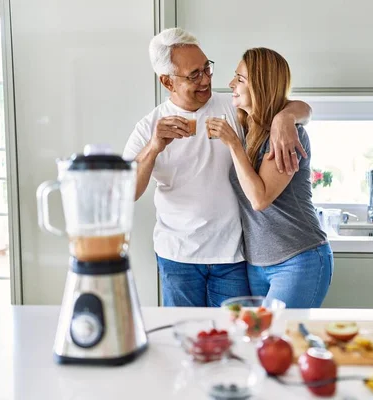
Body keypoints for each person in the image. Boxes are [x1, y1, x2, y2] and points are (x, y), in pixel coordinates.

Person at [123, 29, 312, 307]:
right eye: (194, 75)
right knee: (185, 335)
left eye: (206, 69)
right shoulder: (148, 128)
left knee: (234, 337)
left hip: (232, 256)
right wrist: (153, 148)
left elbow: (293, 106)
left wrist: (285, 116)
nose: (205, 80)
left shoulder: (233, 107)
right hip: (178, 257)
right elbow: (127, 193)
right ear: (167, 82)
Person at [206, 48, 332, 308]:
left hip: (298, 259)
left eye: (240, 79)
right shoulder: (248, 127)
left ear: (261, 86)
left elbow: (259, 199)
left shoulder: (286, 136)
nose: (231, 84)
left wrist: (233, 144)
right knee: (261, 341)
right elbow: (303, 109)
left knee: (280, 338)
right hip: (257, 264)